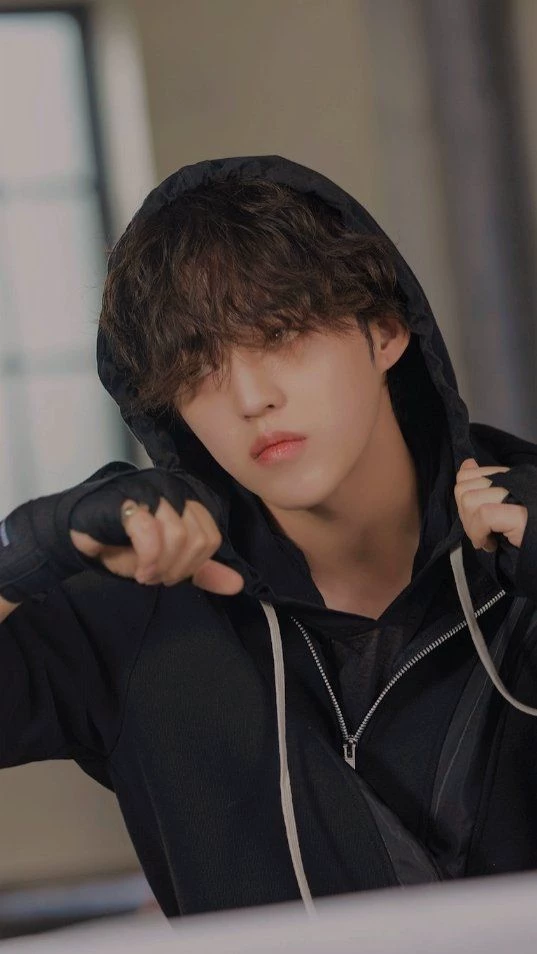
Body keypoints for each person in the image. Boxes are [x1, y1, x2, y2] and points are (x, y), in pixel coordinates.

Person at [1, 155, 537, 919]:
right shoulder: (139, 602)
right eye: (198, 368)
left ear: (385, 331)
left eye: (280, 334)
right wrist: (27, 551)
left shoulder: (523, 534)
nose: (251, 398)